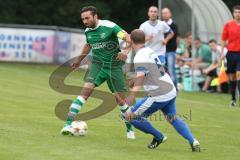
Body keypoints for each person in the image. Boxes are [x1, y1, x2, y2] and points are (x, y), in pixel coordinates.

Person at [60, 6, 136, 139]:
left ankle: (130, 129)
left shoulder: (110, 26)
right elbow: (88, 45)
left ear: (95, 16)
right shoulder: (88, 31)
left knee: (120, 101)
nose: (85, 21)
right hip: (97, 66)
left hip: (114, 67)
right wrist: (78, 61)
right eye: (83, 19)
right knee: (85, 93)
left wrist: (125, 52)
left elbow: (129, 39)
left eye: (87, 18)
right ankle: (67, 125)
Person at [123, 29, 200, 152]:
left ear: (131, 41)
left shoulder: (139, 56)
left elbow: (142, 76)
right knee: (172, 118)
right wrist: (134, 80)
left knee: (129, 116)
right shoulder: (149, 50)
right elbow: (152, 71)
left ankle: (159, 136)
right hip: (170, 89)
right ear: (144, 40)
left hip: (158, 94)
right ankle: (193, 140)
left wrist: (132, 94)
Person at [221, 5, 240, 107]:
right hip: (231, 54)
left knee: (238, 74)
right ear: (233, 13)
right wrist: (222, 53)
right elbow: (223, 39)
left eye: (239, 12)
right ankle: (233, 99)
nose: (238, 14)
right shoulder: (228, 25)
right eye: (236, 12)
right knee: (232, 77)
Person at [162, 8, 178, 88]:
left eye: (166, 13)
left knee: (171, 69)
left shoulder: (174, 25)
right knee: (163, 70)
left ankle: (175, 87)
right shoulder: (160, 24)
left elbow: (173, 35)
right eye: (163, 13)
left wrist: (165, 40)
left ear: (170, 14)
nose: (165, 15)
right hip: (162, 51)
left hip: (171, 51)